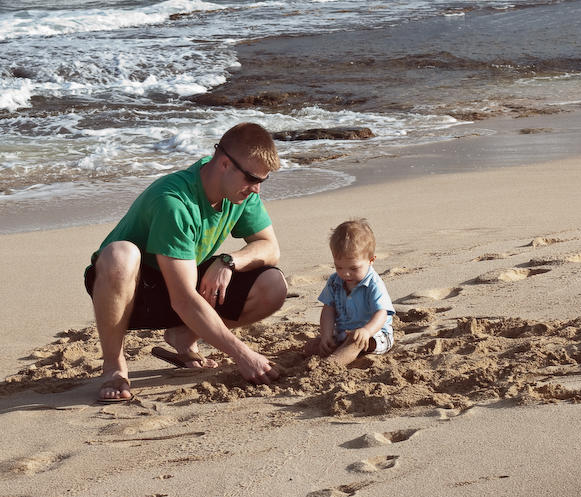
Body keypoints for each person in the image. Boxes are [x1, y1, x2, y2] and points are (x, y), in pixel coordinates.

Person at [84, 122, 287, 402]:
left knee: (273, 284)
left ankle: (183, 336)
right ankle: (114, 366)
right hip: (132, 290)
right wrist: (242, 355)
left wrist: (229, 261)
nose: (257, 189)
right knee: (122, 255)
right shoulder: (174, 201)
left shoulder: (240, 193)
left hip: (183, 281)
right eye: (253, 179)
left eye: (262, 181)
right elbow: (182, 299)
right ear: (225, 164)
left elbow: (270, 247)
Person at [304, 219, 395, 365]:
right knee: (310, 347)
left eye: (353, 268)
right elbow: (328, 309)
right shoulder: (334, 281)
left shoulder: (374, 284)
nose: (345, 274)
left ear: (371, 260)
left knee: (357, 341)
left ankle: (333, 364)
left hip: (375, 334)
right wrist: (326, 335)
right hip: (343, 332)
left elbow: (381, 314)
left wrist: (366, 330)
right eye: (339, 267)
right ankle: (339, 348)